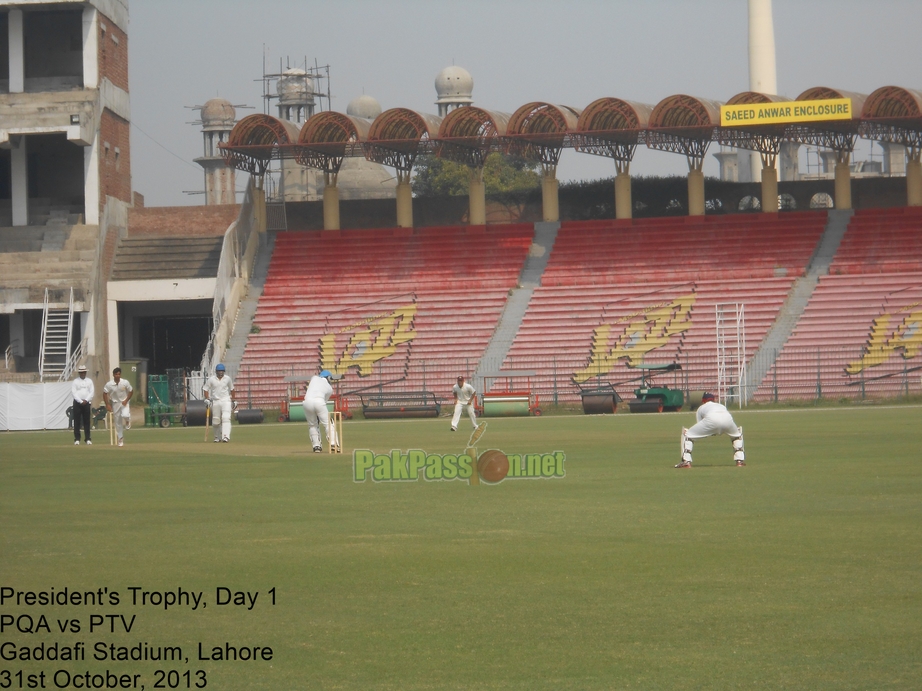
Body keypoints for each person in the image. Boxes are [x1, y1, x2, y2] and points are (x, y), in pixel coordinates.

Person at [676, 392, 745, 468]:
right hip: (728, 420)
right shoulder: (721, 405)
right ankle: (740, 461)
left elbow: (700, 425)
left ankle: (686, 462)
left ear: (703, 400)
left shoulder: (701, 408)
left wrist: (711, 432)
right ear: (714, 400)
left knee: (687, 435)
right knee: (737, 435)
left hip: (712, 420)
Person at [304, 370, 339, 453]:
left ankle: (316, 446)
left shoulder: (314, 378)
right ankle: (333, 443)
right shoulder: (330, 389)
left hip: (306, 402)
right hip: (319, 402)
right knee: (328, 424)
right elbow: (324, 402)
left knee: (312, 425)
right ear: (329, 378)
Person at [203, 363, 236, 443]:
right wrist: (207, 399)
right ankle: (217, 437)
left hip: (226, 400)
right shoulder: (212, 379)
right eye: (219, 371)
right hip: (216, 401)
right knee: (215, 421)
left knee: (226, 418)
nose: (220, 373)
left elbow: (232, 389)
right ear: (216, 372)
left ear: (224, 371)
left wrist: (233, 400)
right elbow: (205, 389)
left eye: (222, 371)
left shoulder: (227, 378)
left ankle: (226, 436)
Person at [103, 367, 133, 447]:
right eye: (116, 374)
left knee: (125, 415)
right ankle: (120, 439)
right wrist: (107, 404)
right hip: (115, 403)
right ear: (113, 375)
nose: (117, 376)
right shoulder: (109, 384)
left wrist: (126, 400)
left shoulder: (125, 382)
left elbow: (131, 391)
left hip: (124, 402)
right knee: (118, 422)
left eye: (119, 374)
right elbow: (105, 393)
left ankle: (127, 420)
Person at [71, 365, 95, 445]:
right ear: (79, 373)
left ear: (86, 372)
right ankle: (77, 439)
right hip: (77, 403)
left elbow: (91, 392)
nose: (83, 374)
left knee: (87, 421)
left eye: (84, 372)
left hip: (86, 402)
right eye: (81, 372)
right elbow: (74, 393)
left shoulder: (89, 381)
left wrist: (86, 400)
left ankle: (88, 438)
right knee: (77, 421)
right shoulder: (75, 381)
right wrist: (80, 401)